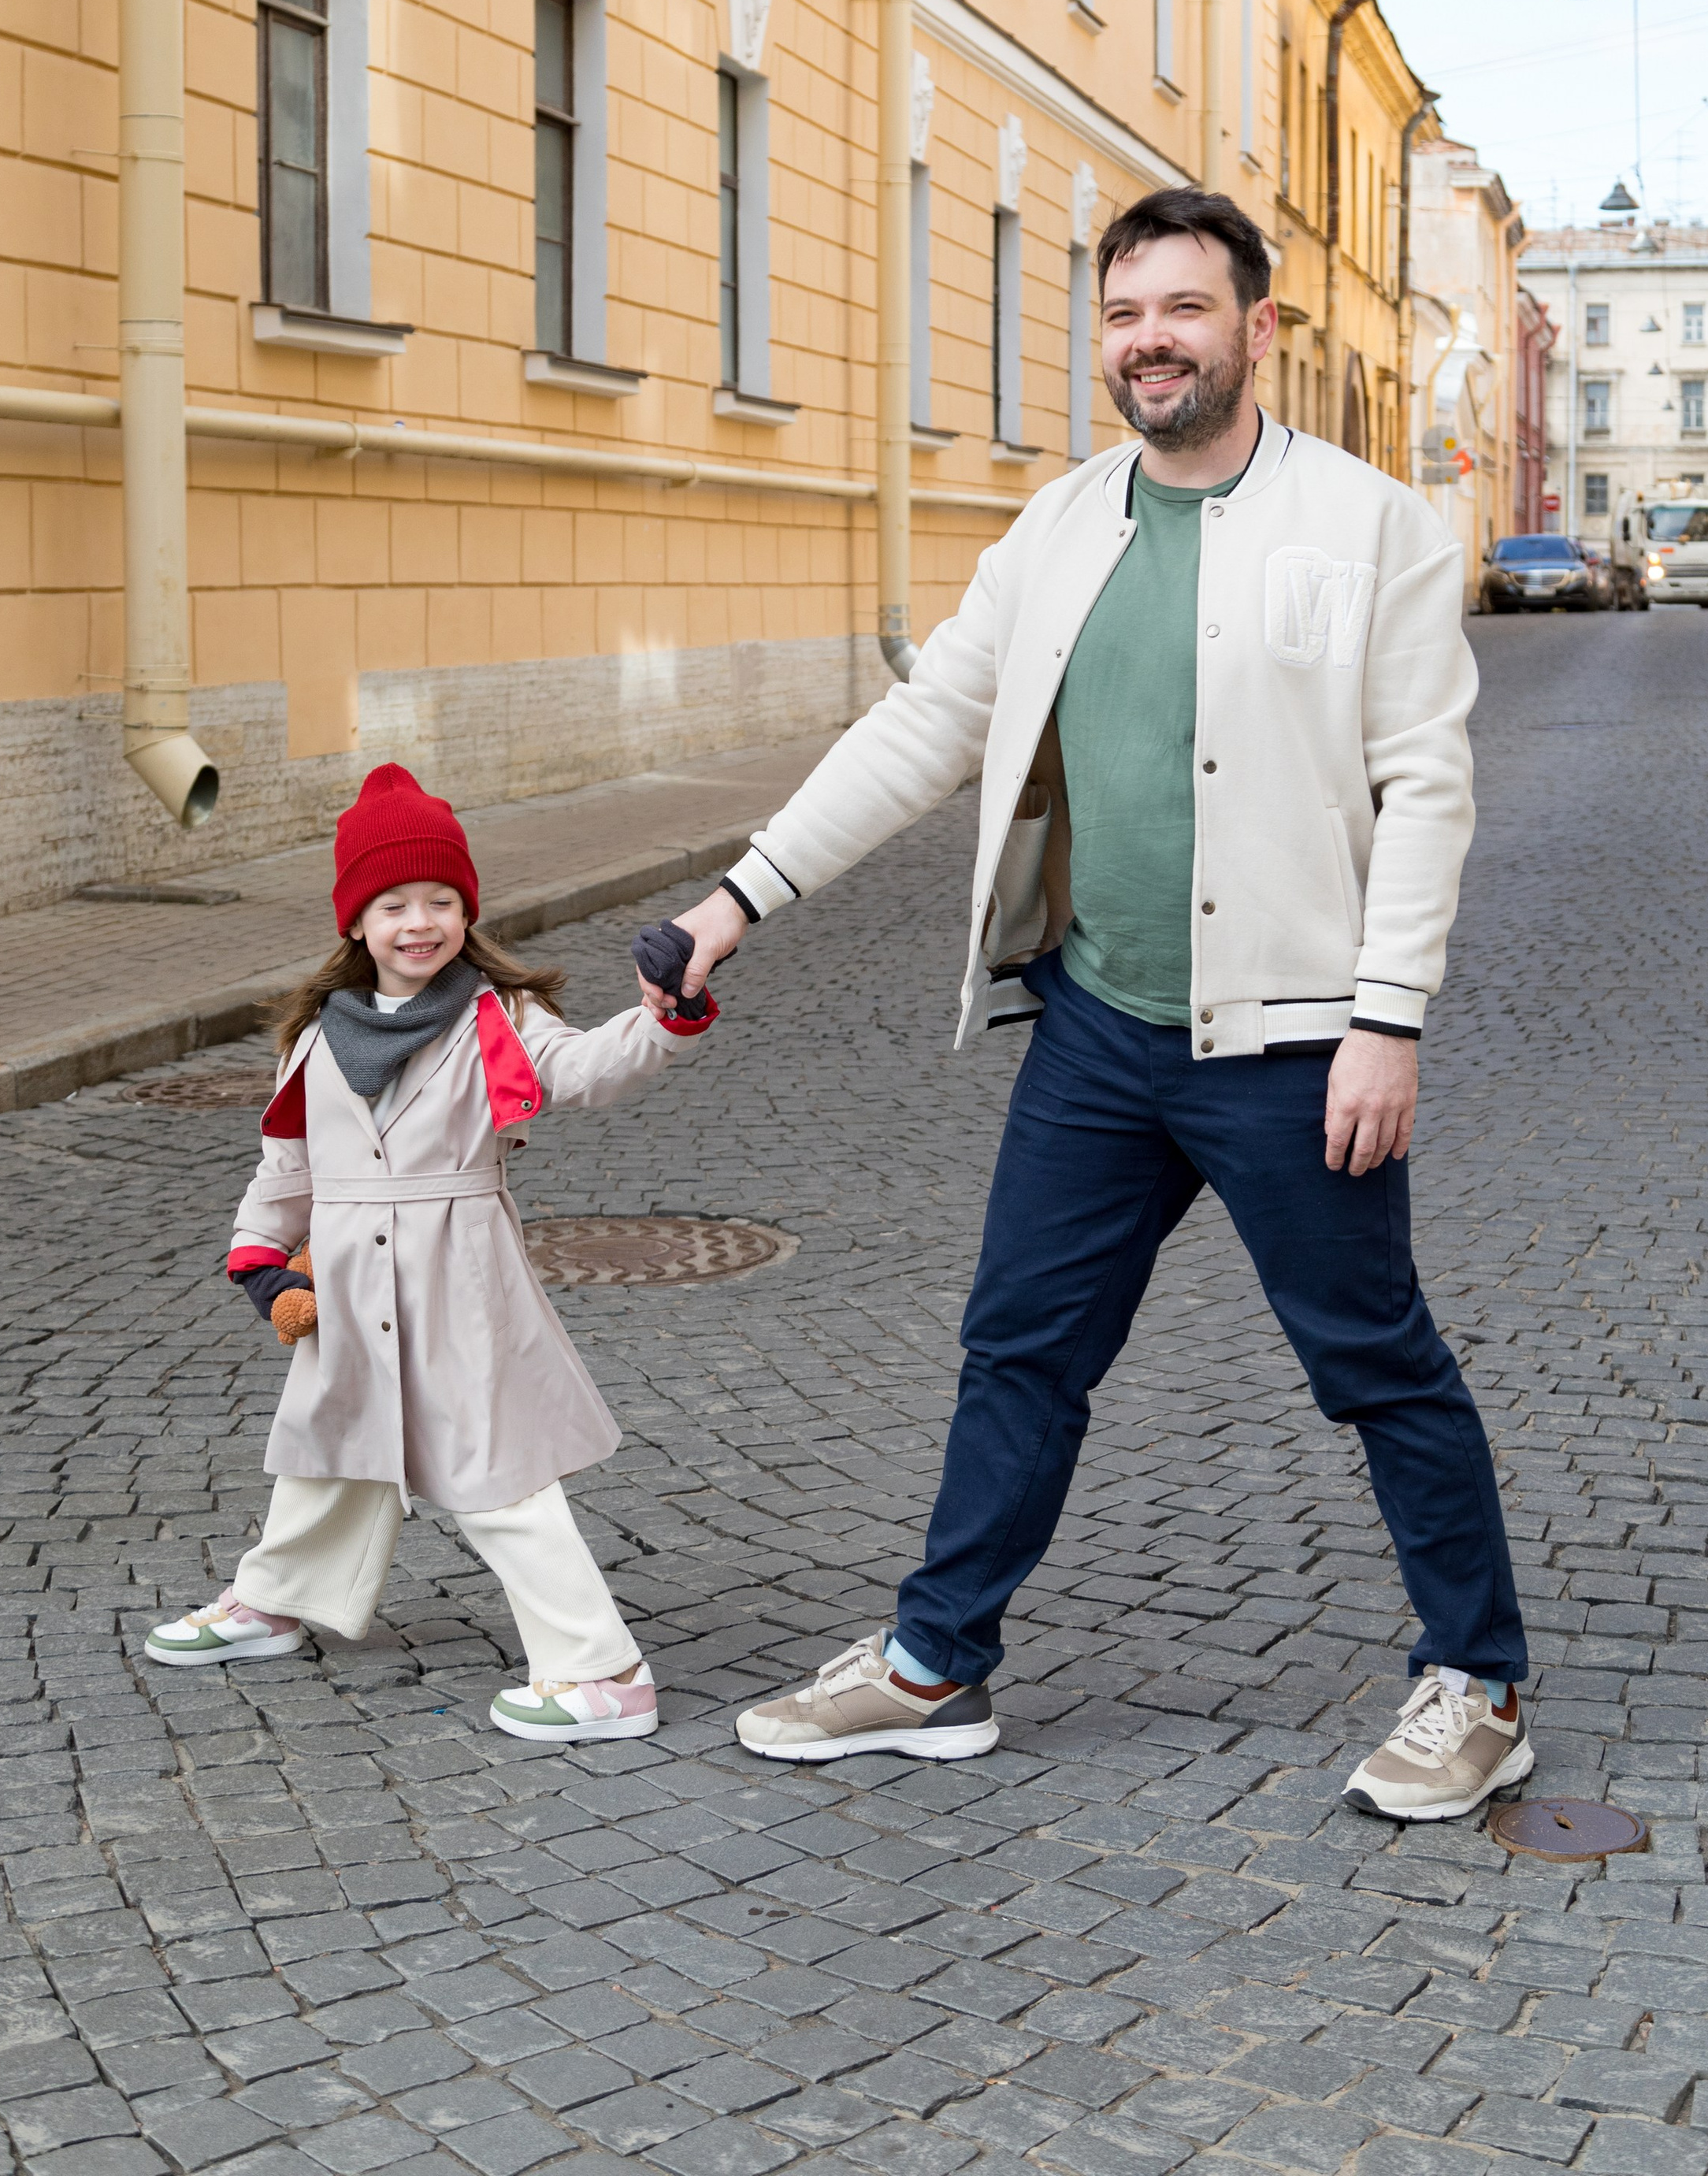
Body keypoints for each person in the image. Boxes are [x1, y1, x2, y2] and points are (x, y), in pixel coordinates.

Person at [645, 186, 1531, 1821]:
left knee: (1372, 1361)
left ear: (1257, 330)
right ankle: (933, 1664)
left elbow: (1424, 787)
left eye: (1183, 311)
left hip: (1292, 1044)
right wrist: (736, 898)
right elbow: (920, 731)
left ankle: (1472, 1678)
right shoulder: (1055, 530)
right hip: (1101, 1033)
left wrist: (1385, 1018)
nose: (1148, 343)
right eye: (1123, 316)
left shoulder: (1372, 529)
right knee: (1018, 1348)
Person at [145, 763, 718, 1745]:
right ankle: (275, 1602)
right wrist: (256, 1254)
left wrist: (667, 1018)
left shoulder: (496, 1018)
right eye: (395, 903)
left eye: (441, 901)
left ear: (467, 913)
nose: (421, 922)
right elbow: (289, 1167)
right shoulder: (317, 1040)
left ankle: (603, 1671)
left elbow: (584, 1070)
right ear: (356, 924)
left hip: (458, 1275)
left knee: (493, 1470)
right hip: (350, 1277)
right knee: (331, 1452)